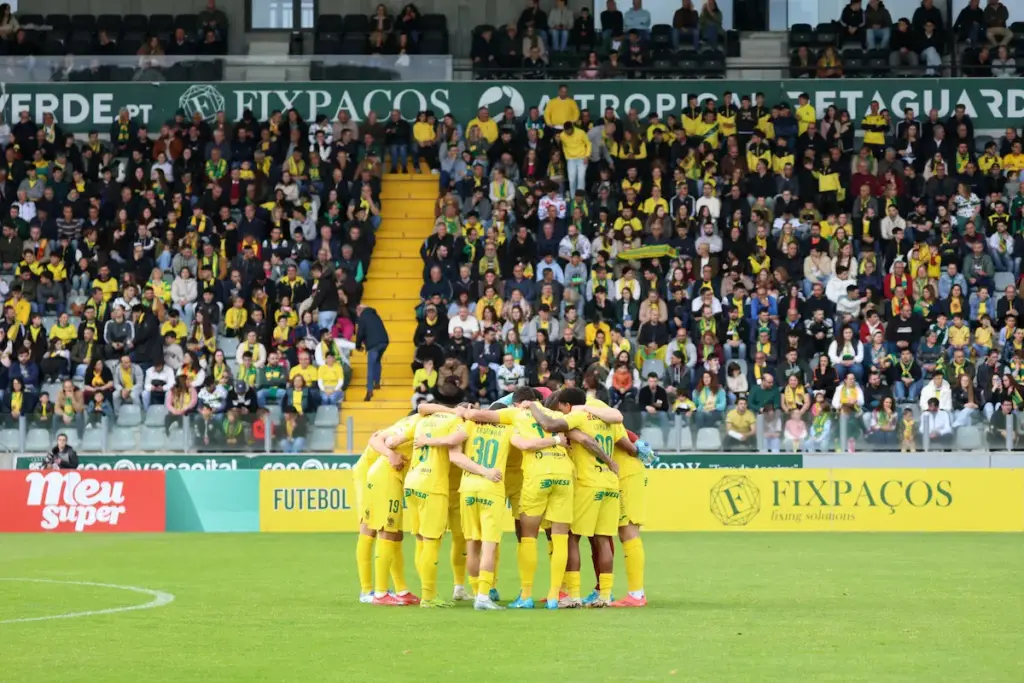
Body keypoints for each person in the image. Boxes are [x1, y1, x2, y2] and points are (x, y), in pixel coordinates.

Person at [356, 304, 389, 401]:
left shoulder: (363, 317)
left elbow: (360, 333)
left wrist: (358, 346)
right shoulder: (375, 314)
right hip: (384, 342)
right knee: (377, 360)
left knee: (370, 366)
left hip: (373, 344)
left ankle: (369, 391)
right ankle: (377, 383)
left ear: (359, 310)